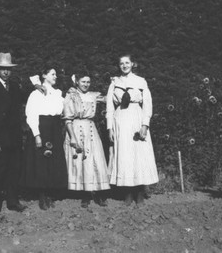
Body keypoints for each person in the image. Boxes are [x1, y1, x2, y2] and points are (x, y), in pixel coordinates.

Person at [106, 54, 159, 206]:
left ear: (132, 64)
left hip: (136, 119)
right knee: (124, 156)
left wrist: (145, 125)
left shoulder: (141, 81)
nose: (124, 65)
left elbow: (147, 105)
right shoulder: (114, 82)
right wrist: (109, 127)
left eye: (127, 62)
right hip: (120, 120)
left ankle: (140, 193)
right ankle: (127, 194)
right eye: (121, 63)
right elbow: (109, 107)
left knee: (139, 156)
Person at [0, 52, 29, 214]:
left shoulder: (15, 87)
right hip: (0, 139)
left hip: (14, 138)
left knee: (14, 171)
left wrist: (36, 86)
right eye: (3, 69)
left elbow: (21, 106)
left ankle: (13, 202)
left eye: (8, 69)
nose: (6, 72)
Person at [19, 67, 68, 210]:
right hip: (42, 128)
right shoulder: (35, 94)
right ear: (44, 75)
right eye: (53, 74)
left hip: (55, 128)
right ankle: (42, 195)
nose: (55, 77)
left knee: (53, 161)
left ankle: (50, 194)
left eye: (56, 74)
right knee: (41, 161)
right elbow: (31, 114)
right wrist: (37, 134)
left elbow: (64, 109)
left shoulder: (58, 93)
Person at [63, 71, 110, 208]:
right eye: (83, 81)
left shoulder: (93, 95)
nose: (86, 84)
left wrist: (114, 83)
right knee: (81, 162)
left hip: (90, 128)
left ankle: (100, 194)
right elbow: (67, 119)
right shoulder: (71, 96)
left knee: (96, 160)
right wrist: (72, 137)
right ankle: (85, 195)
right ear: (77, 81)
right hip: (76, 129)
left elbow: (109, 98)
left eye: (88, 82)